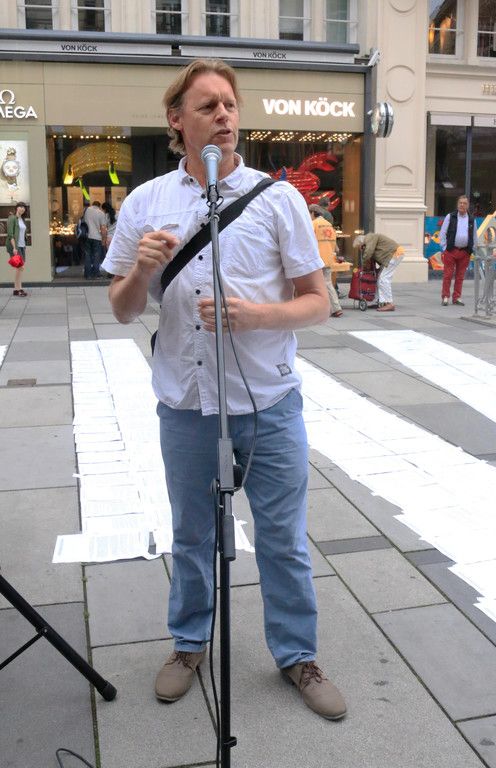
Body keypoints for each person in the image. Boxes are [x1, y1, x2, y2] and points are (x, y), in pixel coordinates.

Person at [102, 58, 347, 722]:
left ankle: (298, 655)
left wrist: (256, 316)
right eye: (207, 105)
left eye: (230, 105)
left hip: (268, 404)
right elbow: (123, 309)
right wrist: (139, 272)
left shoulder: (277, 199)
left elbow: (318, 301)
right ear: (177, 120)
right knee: (191, 537)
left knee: (283, 539)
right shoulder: (147, 202)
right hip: (186, 405)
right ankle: (189, 644)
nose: (223, 115)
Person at [439, 195, 477, 306]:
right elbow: (442, 233)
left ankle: (457, 297)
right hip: (451, 250)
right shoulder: (450, 217)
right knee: (448, 275)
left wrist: (472, 249)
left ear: (468, 206)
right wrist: (444, 247)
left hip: (465, 252)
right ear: (457, 204)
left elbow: (474, 236)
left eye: (464, 203)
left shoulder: (471, 219)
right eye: (460, 203)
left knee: (460, 276)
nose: (462, 205)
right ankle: (445, 296)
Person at [353, 232, 404, 311]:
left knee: (383, 279)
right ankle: (380, 301)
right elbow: (378, 254)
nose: (360, 249)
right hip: (393, 255)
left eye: (359, 247)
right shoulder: (371, 239)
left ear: (361, 243)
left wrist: (364, 264)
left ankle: (389, 303)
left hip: (394, 254)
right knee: (379, 278)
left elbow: (369, 252)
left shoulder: (369, 238)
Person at [309, 204, 343, 317]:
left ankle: (332, 308)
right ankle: (333, 307)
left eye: (309, 214)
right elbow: (335, 245)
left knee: (316, 285)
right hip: (328, 258)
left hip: (317, 259)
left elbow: (308, 241)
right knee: (327, 283)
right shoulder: (329, 225)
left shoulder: (313, 224)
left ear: (312, 213)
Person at [6, 202, 28, 297]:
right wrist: (14, 248)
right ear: (17, 208)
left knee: (20, 268)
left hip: (22, 246)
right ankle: (18, 289)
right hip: (16, 246)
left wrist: (24, 245)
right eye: (20, 207)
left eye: (24, 207)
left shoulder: (22, 219)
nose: (22, 209)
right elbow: (10, 234)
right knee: (20, 267)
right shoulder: (12, 218)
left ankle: (18, 289)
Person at [83, 200, 107, 279]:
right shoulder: (101, 213)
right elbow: (103, 228)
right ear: (99, 206)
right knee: (96, 255)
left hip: (87, 236)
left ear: (92, 204)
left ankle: (88, 274)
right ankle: (96, 273)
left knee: (87, 255)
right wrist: (103, 239)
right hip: (97, 237)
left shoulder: (86, 210)